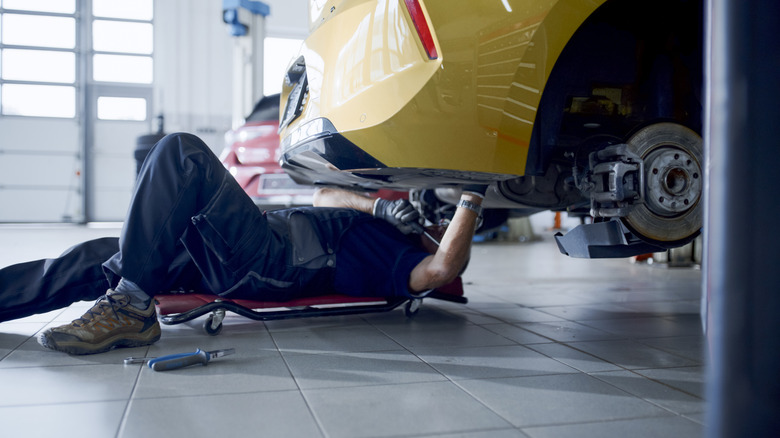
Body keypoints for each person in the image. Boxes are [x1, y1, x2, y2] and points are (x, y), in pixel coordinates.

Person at [0, 133, 486, 355]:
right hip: (245, 242)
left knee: (181, 153)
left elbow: (442, 270)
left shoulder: (404, 256)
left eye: (437, 216)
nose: (424, 212)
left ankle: (129, 307)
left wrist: (474, 193)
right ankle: (121, 293)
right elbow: (322, 194)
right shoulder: (385, 220)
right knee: (103, 255)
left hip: (269, 263)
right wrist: (378, 206)